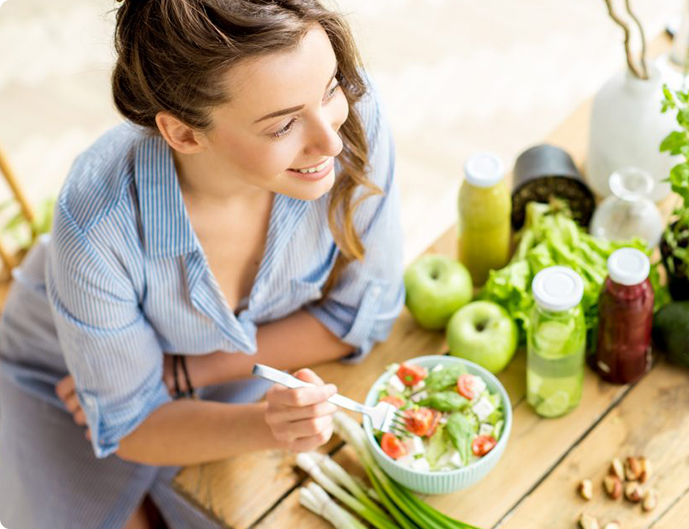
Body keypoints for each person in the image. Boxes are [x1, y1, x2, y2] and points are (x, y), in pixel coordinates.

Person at [0, 0, 404, 527]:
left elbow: (364, 316)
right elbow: (134, 423)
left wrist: (185, 373)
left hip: (223, 371)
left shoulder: (352, 120)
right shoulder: (96, 220)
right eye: (283, 125)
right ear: (185, 134)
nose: (332, 138)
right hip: (59, 382)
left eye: (329, 89)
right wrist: (268, 425)